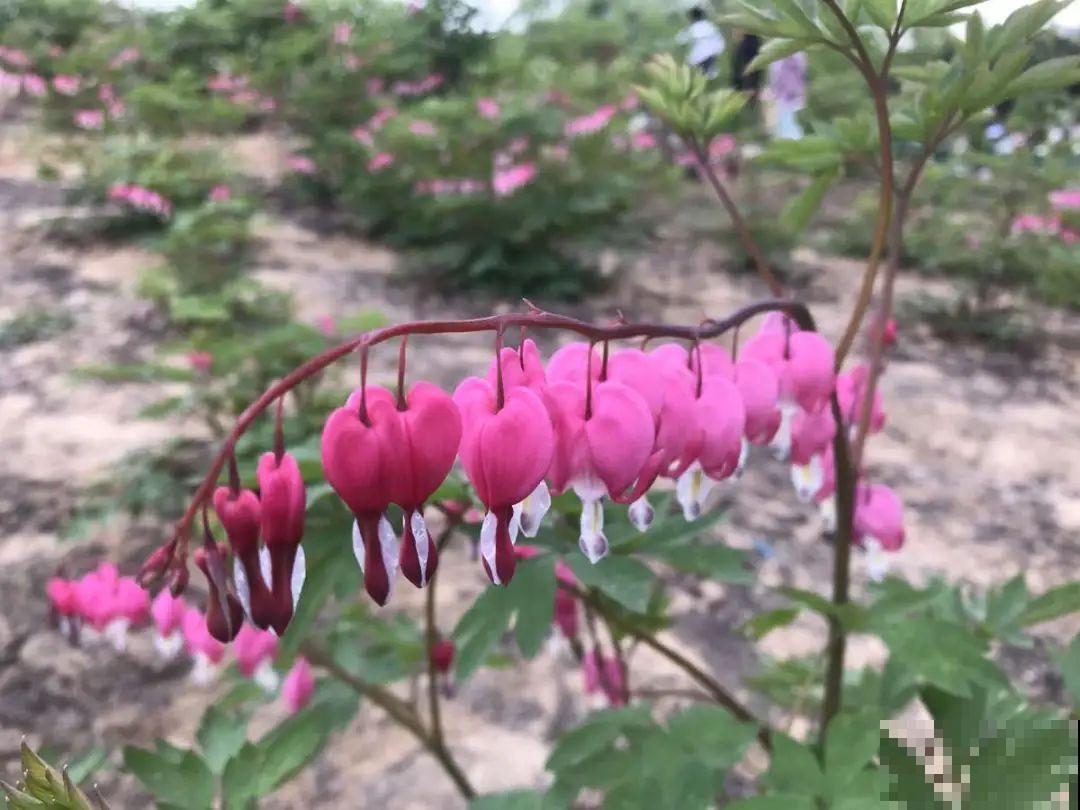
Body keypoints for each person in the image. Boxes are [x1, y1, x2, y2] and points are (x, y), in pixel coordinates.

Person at [767, 51, 807, 140]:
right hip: (790, 100)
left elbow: (776, 80)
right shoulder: (799, 55)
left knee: (791, 128)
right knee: (792, 127)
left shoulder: (777, 60)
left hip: (789, 100)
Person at [677, 6, 725, 79]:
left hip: (697, 61)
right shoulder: (712, 27)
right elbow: (720, 43)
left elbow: (679, 40)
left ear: (691, 17)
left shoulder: (691, 29)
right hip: (712, 59)